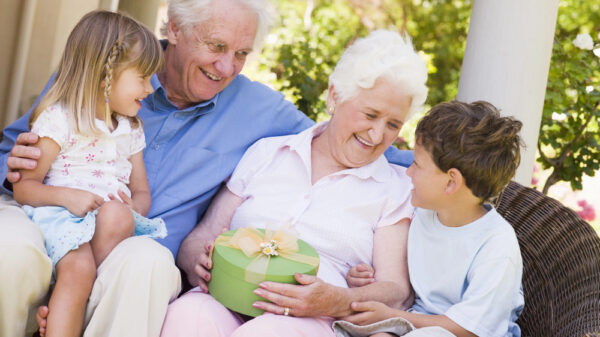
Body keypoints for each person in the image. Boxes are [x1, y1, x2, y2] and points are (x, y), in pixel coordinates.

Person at [0, 1, 413, 336]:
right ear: (175, 28)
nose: (227, 68)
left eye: (241, 54)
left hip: (134, 244)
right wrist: (17, 168)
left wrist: (443, 167)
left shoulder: (259, 111)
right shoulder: (101, 71)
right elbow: (9, 151)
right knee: (8, 245)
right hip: (47, 211)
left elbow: (354, 139)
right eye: (216, 47)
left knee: (149, 268)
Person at [160, 29, 428, 337]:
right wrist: (197, 261)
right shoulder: (268, 152)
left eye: (393, 124)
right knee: (188, 314)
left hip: (314, 319)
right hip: (227, 295)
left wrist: (339, 300)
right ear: (334, 96)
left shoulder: (394, 188)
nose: (377, 134)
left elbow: (396, 290)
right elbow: (204, 234)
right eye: (370, 114)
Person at [11, 11, 168, 337]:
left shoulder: (131, 130)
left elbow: (141, 191)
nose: (150, 89)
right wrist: (68, 197)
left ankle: (59, 310)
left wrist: (132, 210)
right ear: (104, 77)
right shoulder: (59, 121)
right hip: (63, 215)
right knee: (79, 270)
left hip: (110, 225)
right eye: (142, 78)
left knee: (116, 220)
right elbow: (25, 188)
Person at [342, 101, 525, 337]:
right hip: (414, 323)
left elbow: (470, 328)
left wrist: (392, 316)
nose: (408, 172)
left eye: (417, 165)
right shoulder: (423, 212)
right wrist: (366, 276)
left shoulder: (496, 246)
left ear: (451, 182)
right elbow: (398, 272)